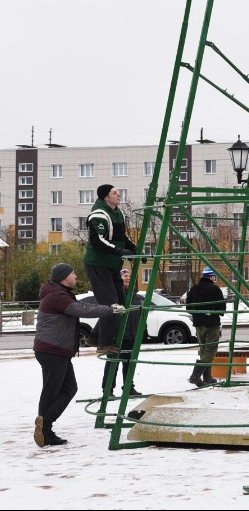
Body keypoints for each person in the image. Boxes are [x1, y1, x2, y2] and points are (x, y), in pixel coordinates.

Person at [33, 263, 125, 447]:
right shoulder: (57, 295)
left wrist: (108, 306)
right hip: (52, 349)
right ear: (65, 277)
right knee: (52, 390)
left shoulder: (60, 292)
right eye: (73, 273)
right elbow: (80, 310)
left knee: (69, 388)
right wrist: (110, 310)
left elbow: (81, 305)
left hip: (56, 349)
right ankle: (45, 427)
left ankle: (45, 425)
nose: (76, 276)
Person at [83, 184, 137, 354]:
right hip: (98, 265)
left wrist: (135, 251)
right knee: (111, 305)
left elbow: (122, 237)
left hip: (112, 265)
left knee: (120, 304)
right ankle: (104, 344)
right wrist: (119, 251)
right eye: (115, 193)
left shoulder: (117, 212)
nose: (118, 194)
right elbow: (98, 241)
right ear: (106, 197)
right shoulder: (98, 215)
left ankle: (94, 336)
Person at [99, 269, 144, 397]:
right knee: (113, 363)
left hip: (131, 335)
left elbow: (140, 315)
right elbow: (108, 314)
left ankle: (129, 387)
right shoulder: (114, 296)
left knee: (129, 363)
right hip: (116, 335)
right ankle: (108, 390)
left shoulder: (136, 297)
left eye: (130, 276)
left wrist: (142, 331)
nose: (128, 278)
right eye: (125, 276)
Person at [185, 267, 226, 387]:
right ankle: (195, 376)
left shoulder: (193, 289)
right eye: (214, 277)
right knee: (211, 350)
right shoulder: (215, 289)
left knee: (203, 350)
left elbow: (188, 307)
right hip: (212, 324)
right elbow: (221, 309)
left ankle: (207, 377)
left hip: (198, 324)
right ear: (211, 277)